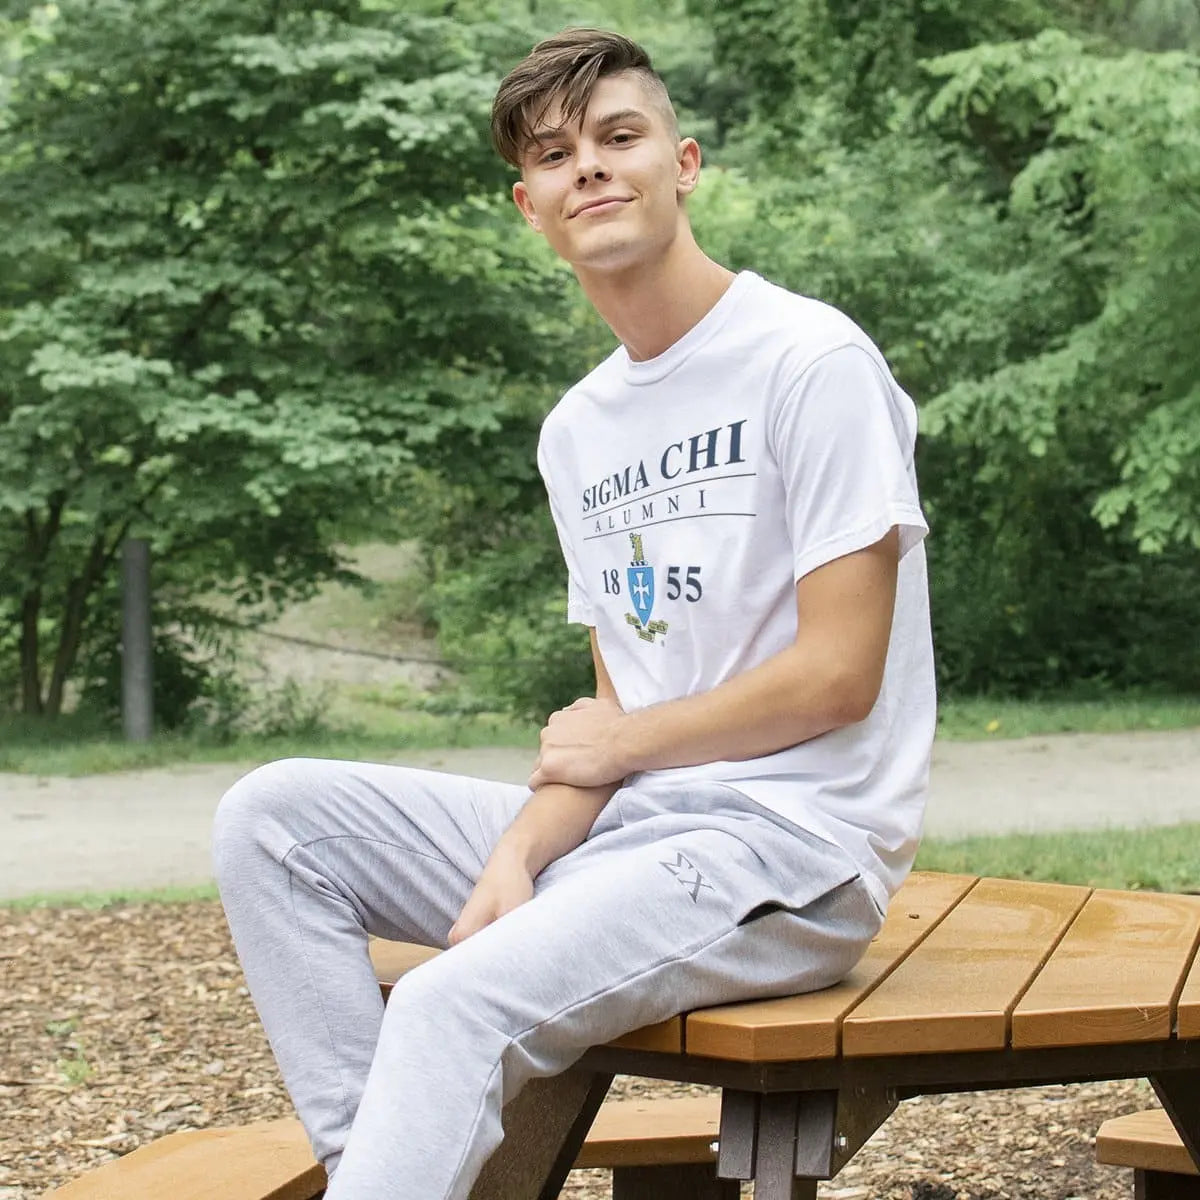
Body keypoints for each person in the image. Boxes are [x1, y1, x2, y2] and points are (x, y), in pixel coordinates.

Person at [212, 27, 935, 1200]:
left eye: (617, 135)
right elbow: (616, 714)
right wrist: (518, 852)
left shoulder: (810, 362)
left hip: (789, 851)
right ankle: (372, 1175)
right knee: (274, 821)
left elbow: (840, 675)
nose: (587, 165)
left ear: (683, 163)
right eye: (553, 155)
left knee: (447, 1002)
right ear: (531, 208)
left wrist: (622, 748)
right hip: (632, 831)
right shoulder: (579, 431)